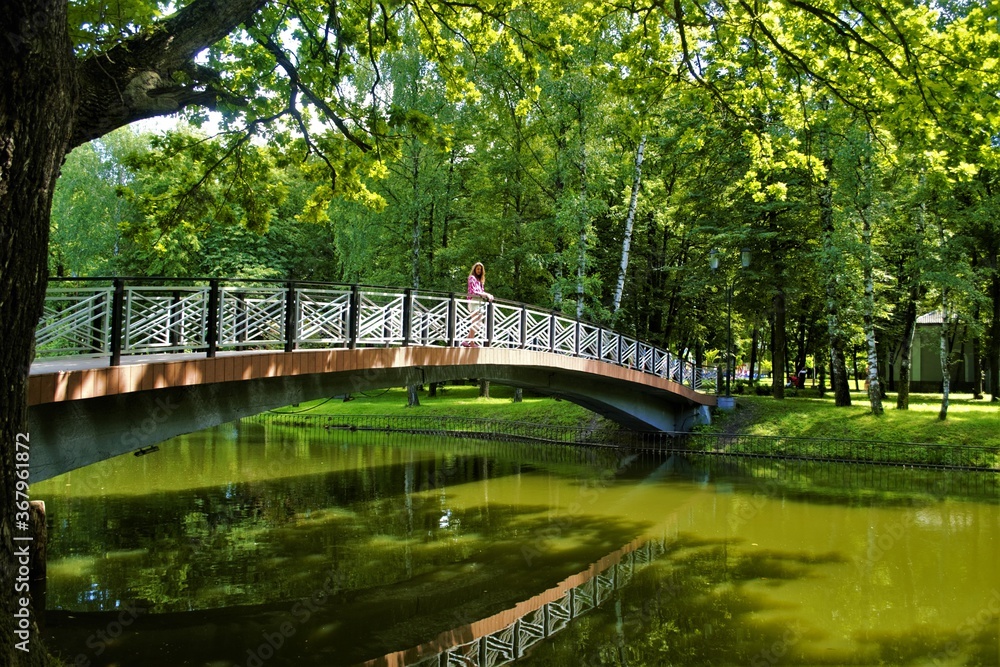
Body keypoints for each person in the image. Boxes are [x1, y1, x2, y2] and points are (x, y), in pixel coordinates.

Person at [463, 262, 493, 347]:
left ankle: (466, 341)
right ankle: (471, 342)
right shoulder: (471, 278)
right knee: (475, 321)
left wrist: (487, 294)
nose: (479, 271)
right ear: (475, 269)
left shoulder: (480, 281)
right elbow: (473, 291)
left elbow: (482, 292)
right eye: (477, 269)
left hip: (479, 302)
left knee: (479, 323)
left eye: (480, 269)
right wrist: (486, 295)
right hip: (473, 301)